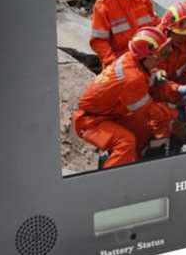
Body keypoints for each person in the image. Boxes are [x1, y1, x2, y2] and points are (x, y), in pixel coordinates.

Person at [73, 27, 180, 169]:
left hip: (111, 114)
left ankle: (133, 162)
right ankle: (108, 179)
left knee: (144, 129)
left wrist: (176, 88)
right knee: (126, 142)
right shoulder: (132, 78)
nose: (165, 56)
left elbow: (148, 79)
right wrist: (175, 114)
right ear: (147, 56)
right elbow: (148, 111)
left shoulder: (133, 60)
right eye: (163, 52)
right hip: (90, 122)